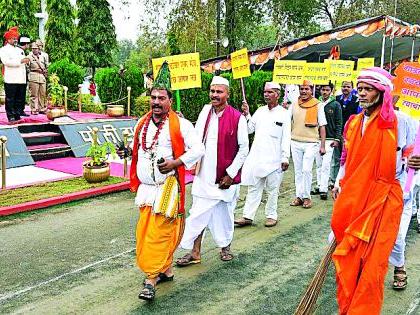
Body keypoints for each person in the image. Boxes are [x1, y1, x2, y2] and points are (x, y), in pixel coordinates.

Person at [330, 67, 416, 314]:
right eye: (360, 89)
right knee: (347, 252)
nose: (362, 94)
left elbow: (410, 155)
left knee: (376, 260)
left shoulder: (400, 121)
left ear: (381, 93)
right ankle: (348, 304)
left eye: (368, 89)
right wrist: (339, 182)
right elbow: (346, 158)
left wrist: (414, 165)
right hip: (355, 197)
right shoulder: (354, 122)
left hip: (386, 197)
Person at [118, 62, 204, 301]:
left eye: (161, 98)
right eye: (153, 97)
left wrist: (176, 163)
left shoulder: (181, 124)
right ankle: (166, 269)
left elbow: (199, 149)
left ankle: (150, 279)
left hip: (167, 189)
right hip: (146, 190)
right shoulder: (141, 124)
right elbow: (138, 150)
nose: (156, 102)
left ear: (169, 101)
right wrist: (126, 152)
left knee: (158, 234)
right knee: (144, 232)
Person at [177, 76, 249, 265]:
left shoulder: (237, 118)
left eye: (219, 92)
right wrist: (184, 123)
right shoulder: (205, 111)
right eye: (212, 91)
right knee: (198, 212)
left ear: (228, 94)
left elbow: (244, 149)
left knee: (224, 213)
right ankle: (195, 252)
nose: (214, 95)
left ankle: (225, 247)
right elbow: (197, 135)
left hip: (223, 178)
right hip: (203, 174)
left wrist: (230, 174)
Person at [235, 82, 291, 227]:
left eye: (270, 92)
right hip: (258, 157)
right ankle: (247, 216)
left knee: (272, 189)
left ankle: (271, 215)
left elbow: (286, 137)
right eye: (265, 92)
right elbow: (249, 129)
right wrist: (247, 114)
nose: (266, 94)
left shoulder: (284, 114)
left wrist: (285, 157)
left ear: (277, 95)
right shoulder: (260, 111)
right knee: (253, 187)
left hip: (275, 159)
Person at [289, 80, 327, 209]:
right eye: (302, 89)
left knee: (306, 170)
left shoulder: (318, 105)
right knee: (298, 171)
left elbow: (322, 126)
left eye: (307, 89)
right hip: (295, 141)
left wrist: (322, 145)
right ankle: (299, 196)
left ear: (312, 90)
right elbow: (287, 122)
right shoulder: (294, 104)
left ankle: (307, 197)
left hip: (311, 142)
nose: (304, 91)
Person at [311, 83, 342, 200]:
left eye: (327, 90)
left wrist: (337, 138)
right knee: (318, 164)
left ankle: (324, 189)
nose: (324, 92)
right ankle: (319, 185)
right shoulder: (316, 104)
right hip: (316, 138)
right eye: (322, 89)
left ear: (331, 91)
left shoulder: (335, 105)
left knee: (325, 165)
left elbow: (339, 123)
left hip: (330, 139)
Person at [330, 81, 360, 186]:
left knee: (349, 158)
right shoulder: (336, 99)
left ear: (352, 88)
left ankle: (346, 180)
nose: (345, 88)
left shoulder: (357, 101)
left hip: (350, 135)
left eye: (348, 86)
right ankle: (333, 180)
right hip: (337, 133)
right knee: (336, 158)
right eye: (343, 86)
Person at [0, 27, 30, 123]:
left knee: (20, 98)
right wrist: (20, 61)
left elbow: (23, 62)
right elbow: (6, 62)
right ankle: (11, 116)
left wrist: (26, 61)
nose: (15, 40)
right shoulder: (3, 50)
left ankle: (17, 115)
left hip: (21, 78)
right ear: (8, 39)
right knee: (10, 99)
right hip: (11, 78)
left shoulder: (19, 50)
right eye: (13, 38)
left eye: (16, 38)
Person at [28, 42, 48, 114]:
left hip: (42, 76)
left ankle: (41, 108)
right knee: (33, 94)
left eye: (36, 48)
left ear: (39, 49)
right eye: (33, 49)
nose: (35, 50)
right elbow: (27, 68)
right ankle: (33, 109)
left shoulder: (43, 57)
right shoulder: (29, 57)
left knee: (42, 94)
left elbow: (46, 66)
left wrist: (45, 71)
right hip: (33, 76)